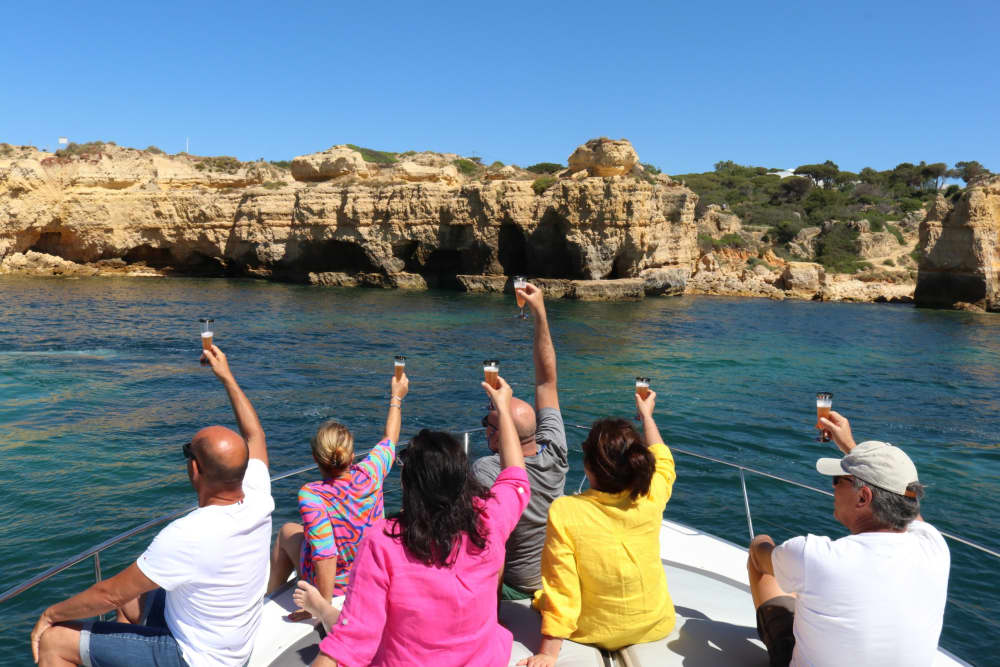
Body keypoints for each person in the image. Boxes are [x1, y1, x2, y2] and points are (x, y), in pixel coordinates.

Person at [31, 345, 274, 667]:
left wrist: (50, 614)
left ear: (195, 469)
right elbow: (254, 434)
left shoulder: (190, 533)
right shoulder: (259, 495)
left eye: (189, 451)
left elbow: (109, 593)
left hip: (196, 658)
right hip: (227, 640)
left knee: (55, 641)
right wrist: (226, 376)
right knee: (132, 602)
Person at [311, 374, 530, 667]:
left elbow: (351, 641)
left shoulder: (383, 543)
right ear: (463, 479)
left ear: (407, 486)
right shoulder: (489, 520)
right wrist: (503, 409)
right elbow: (516, 475)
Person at [746, 411, 950, 667]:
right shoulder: (935, 546)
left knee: (765, 552)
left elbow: (760, 554)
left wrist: (761, 545)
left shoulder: (814, 556)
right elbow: (909, 504)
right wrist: (853, 451)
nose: (831, 487)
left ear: (863, 498)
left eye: (836, 480)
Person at [522, 389, 677, 666]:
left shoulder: (567, 511)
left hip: (591, 629)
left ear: (589, 466)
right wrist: (647, 417)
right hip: (652, 623)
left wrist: (548, 653)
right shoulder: (650, 495)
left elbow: (562, 588)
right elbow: (663, 460)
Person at [266, 369, 408, 619]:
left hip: (339, 589)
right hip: (371, 575)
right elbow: (390, 439)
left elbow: (325, 554)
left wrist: (322, 608)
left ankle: (269, 599)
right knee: (300, 530)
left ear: (315, 459)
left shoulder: (312, 495)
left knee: (287, 532)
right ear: (352, 456)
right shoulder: (371, 473)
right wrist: (396, 396)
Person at [474, 281, 568, 599]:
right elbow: (546, 380)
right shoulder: (555, 450)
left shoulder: (488, 471)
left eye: (488, 421)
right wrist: (541, 313)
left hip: (517, 588)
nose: (484, 426)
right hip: (555, 579)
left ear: (497, 434)